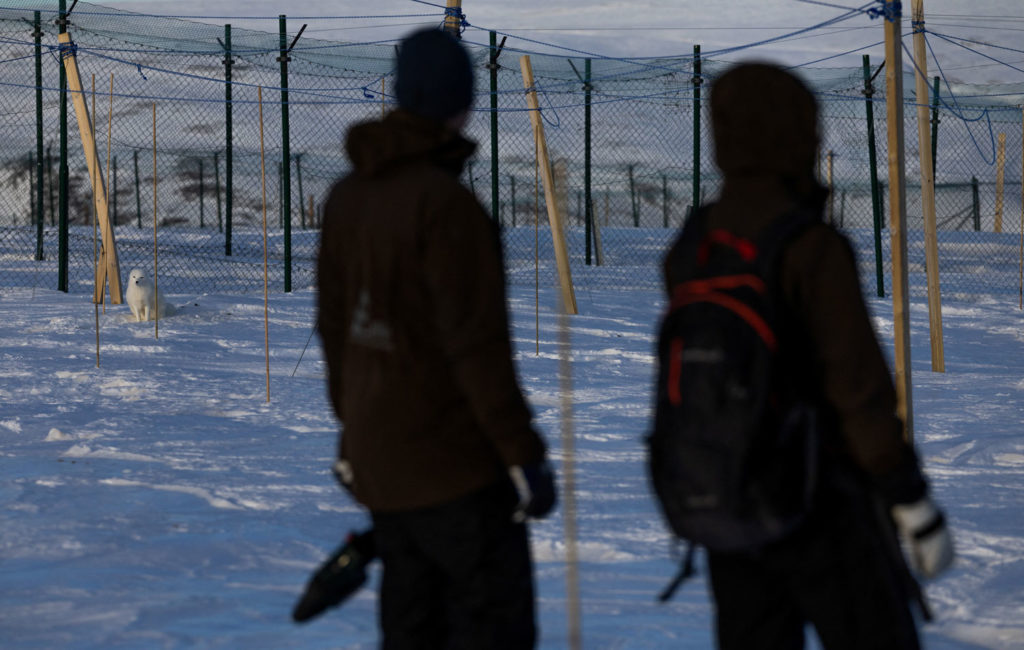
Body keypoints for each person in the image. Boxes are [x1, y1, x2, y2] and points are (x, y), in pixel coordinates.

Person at [661, 62, 954, 650]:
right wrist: (907, 496)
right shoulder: (808, 245)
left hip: (731, 496)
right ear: (797, 135)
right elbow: (857, 386)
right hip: (823, 502)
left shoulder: (694, 245)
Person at [316, 27, 556, 649]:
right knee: (489, 628)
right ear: (461, 102)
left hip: (382, 463)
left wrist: (356, 428)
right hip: (456, 470)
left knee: (411, 625)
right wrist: (522, 453)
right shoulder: (448, 209)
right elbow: (476, 350)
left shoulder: (346, 199)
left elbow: (336, 332)